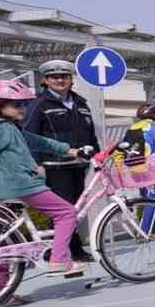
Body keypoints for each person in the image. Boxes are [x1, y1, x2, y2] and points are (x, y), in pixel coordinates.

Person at [0, 79, 89, 295]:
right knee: (66, 213)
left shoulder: (3, 127)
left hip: (2, 189)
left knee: (2, 241)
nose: (23, 109)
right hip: (17, 185)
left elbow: (38, 141)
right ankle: (59, 260)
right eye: (17, 105)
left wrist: (70, 150)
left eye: (24, 104)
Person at [22, 60, 99, 262]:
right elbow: (29, 135)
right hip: (54, 166)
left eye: (64, 76)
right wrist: (36, 163)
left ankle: (72, 249)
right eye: (54, 77)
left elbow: (90, 134)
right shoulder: (38, 104)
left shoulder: (81, 103)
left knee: (75, 208)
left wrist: (98, 156)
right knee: (63, 209)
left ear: (70, 79)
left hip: (78, 165)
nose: (60, 80)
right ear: (45, 80)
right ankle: (61, 252)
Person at [120, 102, 155, 231]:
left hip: (134, 167)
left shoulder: (132, 128)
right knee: (152, 199)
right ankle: (143, 231)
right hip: (150, 168)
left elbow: (122, 148)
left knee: (147, 198)